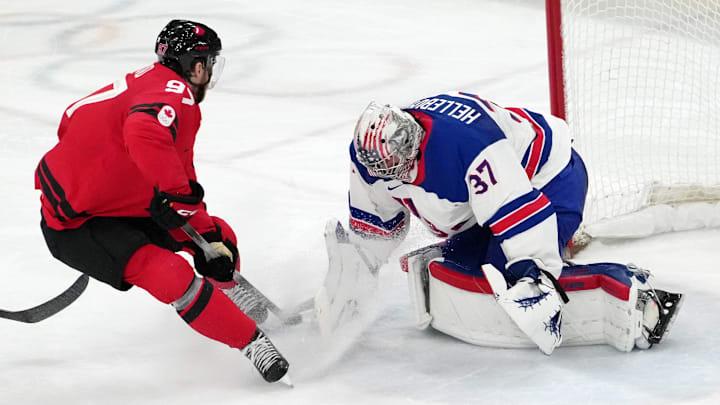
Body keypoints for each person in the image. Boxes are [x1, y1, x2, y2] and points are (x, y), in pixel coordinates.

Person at [326, 91, 683, 354]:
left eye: (405, 157)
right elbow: (375, 229)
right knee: (453, 266)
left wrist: (531, 270)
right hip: (486, 203)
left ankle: (633, 293)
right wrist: (355, 272)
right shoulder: (369, 158)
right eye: (390, 166)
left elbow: (518, 209)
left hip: (549, 181)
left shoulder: (466, 146)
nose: (401, 168)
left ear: (412, 136)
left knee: (514, 281)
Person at [35, 19, 289, 384]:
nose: (210, 73)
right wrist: (174, 196)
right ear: (197, 66)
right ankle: (252, 343)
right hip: (78, 223)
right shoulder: (176, 95)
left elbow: (172, 170)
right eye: (210, 63)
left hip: (123, 202)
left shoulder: (153, 82)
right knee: (169, 273)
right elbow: (143, 130)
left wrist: (199, 229)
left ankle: (236, 305)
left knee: (220, 238)